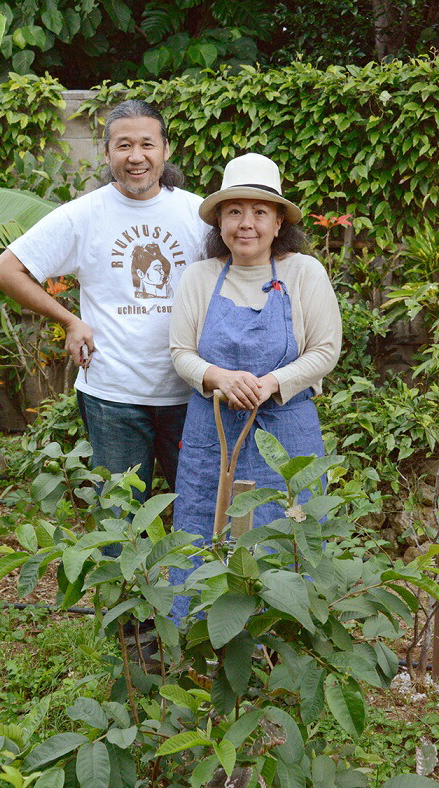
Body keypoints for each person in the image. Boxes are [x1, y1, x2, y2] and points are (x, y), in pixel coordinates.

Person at [0, 99, 206, 500]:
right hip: (113, 396)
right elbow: (4, 270)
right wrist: (69, 320)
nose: (136, 157)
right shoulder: (83, 215)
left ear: (166, 150)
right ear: (106, 154)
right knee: (120, 521)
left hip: (190, 392)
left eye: (147, 144)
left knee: (200, 509)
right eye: (123, 146)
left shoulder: (198, 213)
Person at [169, 152, 342, 621]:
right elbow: (181, 352)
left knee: (288, 528)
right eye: (234, 211)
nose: (246, 224)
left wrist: (271, 383)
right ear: (220, 221)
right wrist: (220, 377)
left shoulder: (304, 273)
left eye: (259, 212)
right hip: (213, 433)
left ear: (279, 221)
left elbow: (325, 350)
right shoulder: (200, 277)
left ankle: (285, 636)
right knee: (206, 526)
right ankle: (199, 643)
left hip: (287, 433)